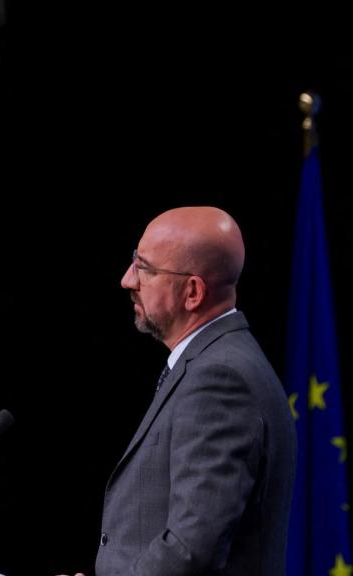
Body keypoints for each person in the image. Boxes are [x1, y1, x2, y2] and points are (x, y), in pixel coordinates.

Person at [61, 206, 296, 576]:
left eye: (145, 268)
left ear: (192, 292)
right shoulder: (215, 362)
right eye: (133, 261)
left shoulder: (220, 380)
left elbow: (192, 550)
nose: (127, 280)